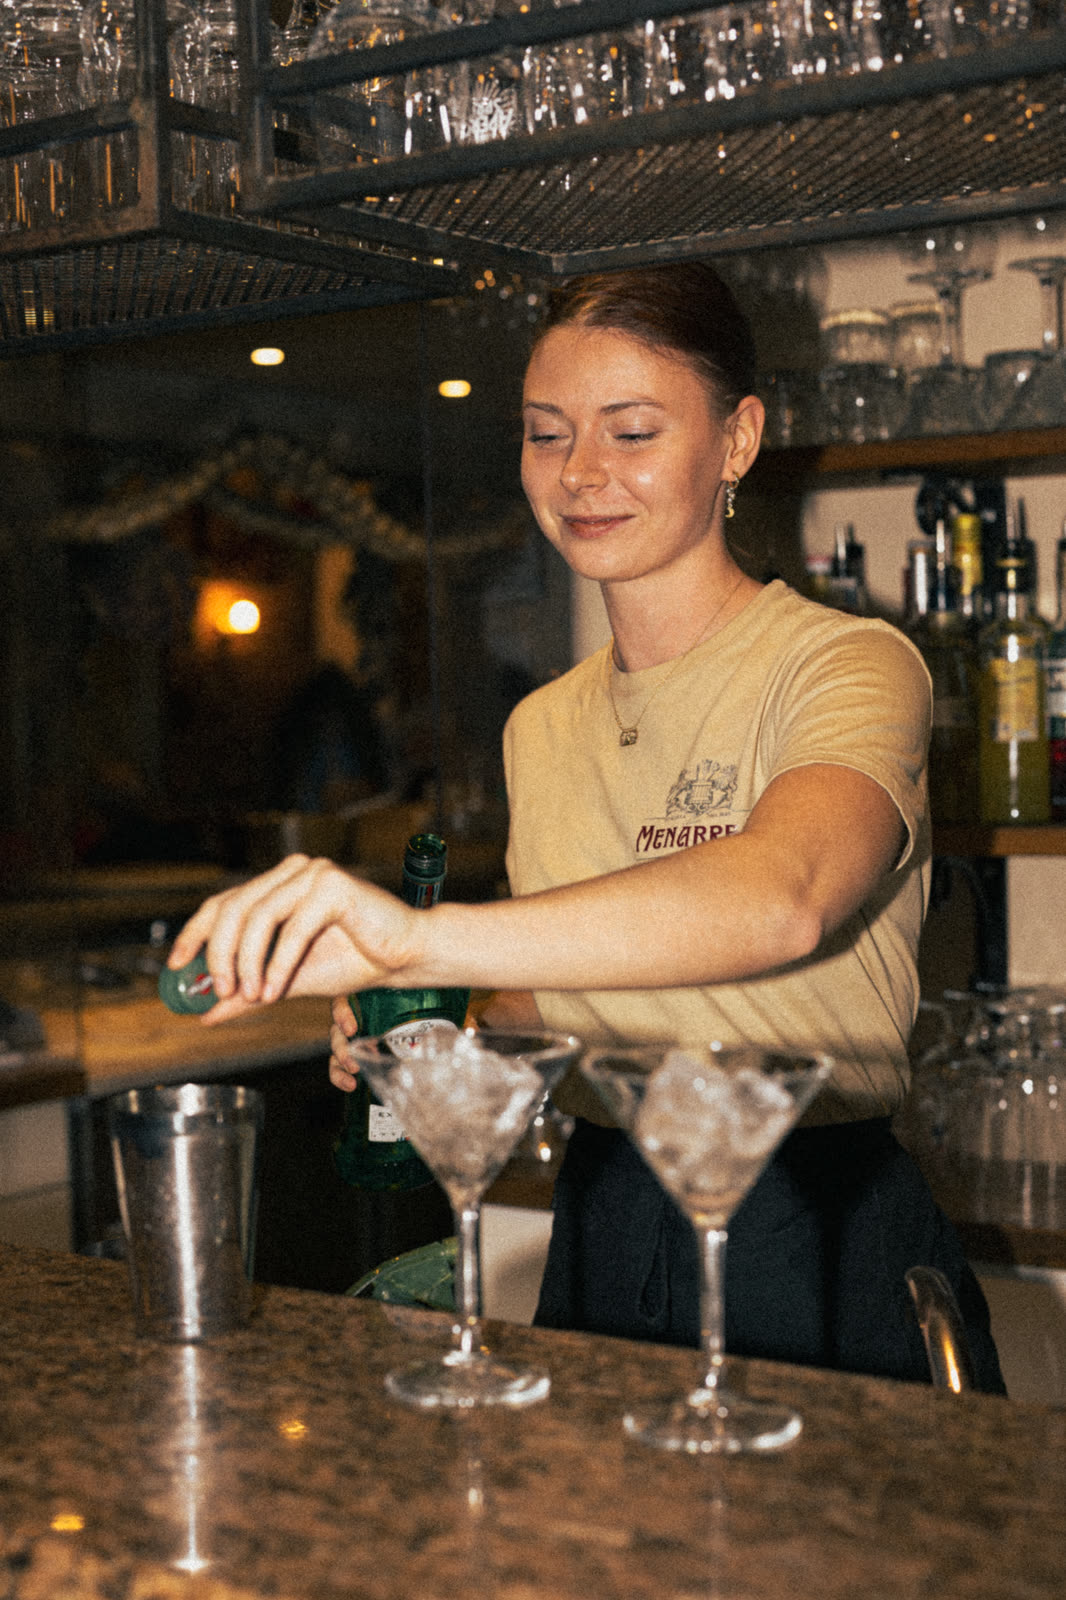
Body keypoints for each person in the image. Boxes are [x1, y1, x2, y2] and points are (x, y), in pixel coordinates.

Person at [168, 262, 1004, 1392]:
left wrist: (424, 938)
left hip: (809, 1226)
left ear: (739, 439)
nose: (580, 473)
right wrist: (434, 1025)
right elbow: (563, 995)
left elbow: (784, 891)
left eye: (632, 430)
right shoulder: (541, 726)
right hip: (604, 1216)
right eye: (545, 432)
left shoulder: (847, 665)